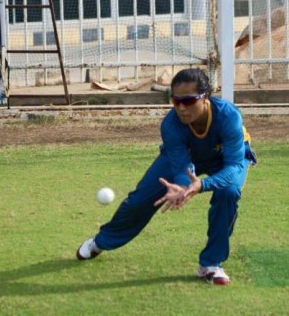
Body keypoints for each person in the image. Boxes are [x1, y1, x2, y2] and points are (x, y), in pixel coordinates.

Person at [76, 68, 257, 285]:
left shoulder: (228, 116)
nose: (181, 107)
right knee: (140, 199)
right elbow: (182, 167)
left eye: (189, 100)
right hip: (188, 156)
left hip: (225, 158)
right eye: (175, 100)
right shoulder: (171, 124)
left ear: (205, 97)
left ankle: (210, 264)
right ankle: (100, 241)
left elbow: (234, 166)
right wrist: (182, 187)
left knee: (228, 192)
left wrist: (202, 185)